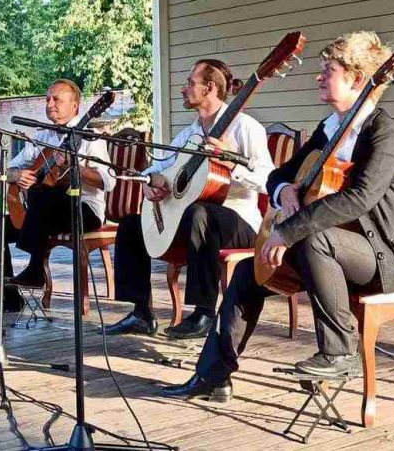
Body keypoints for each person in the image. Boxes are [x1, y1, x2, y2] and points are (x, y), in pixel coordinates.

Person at [162, 31, 394, 402]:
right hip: (338, 249)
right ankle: (213, 375)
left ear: (357, 79)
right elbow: (278, 174)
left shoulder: (382, 132)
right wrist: (284, 191)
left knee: (312, 236)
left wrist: (287, 232)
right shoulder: (329, 129)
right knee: (249, 270)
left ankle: (341, 351)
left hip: (390, 254)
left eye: (329, 69)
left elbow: (359, 198)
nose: (319, 76)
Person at [102, 59, 275, 339]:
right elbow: (157, 168)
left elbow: (269, 179)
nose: (183, 89)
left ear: (209, 88)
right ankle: (141, 313)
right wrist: (150, 182)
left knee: (200, 213)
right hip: (195, 222)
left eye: (189, 83)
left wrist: (232, 164)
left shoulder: (246, 127)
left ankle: (204, 312)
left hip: (239, 221)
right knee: (131, 226)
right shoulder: (190, 133)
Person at [0, 79, 115, 314]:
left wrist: (76, 168)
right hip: (43, 215)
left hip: (83, 210)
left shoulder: (91, 136)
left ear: (76, 107)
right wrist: (19, 175)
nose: (50, 104)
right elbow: (8, 171)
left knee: (42, 193)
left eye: (57, 99)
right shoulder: (42, 137)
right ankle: (9, 298)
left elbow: (109, 181)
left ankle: (35, 268)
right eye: (48, 99)